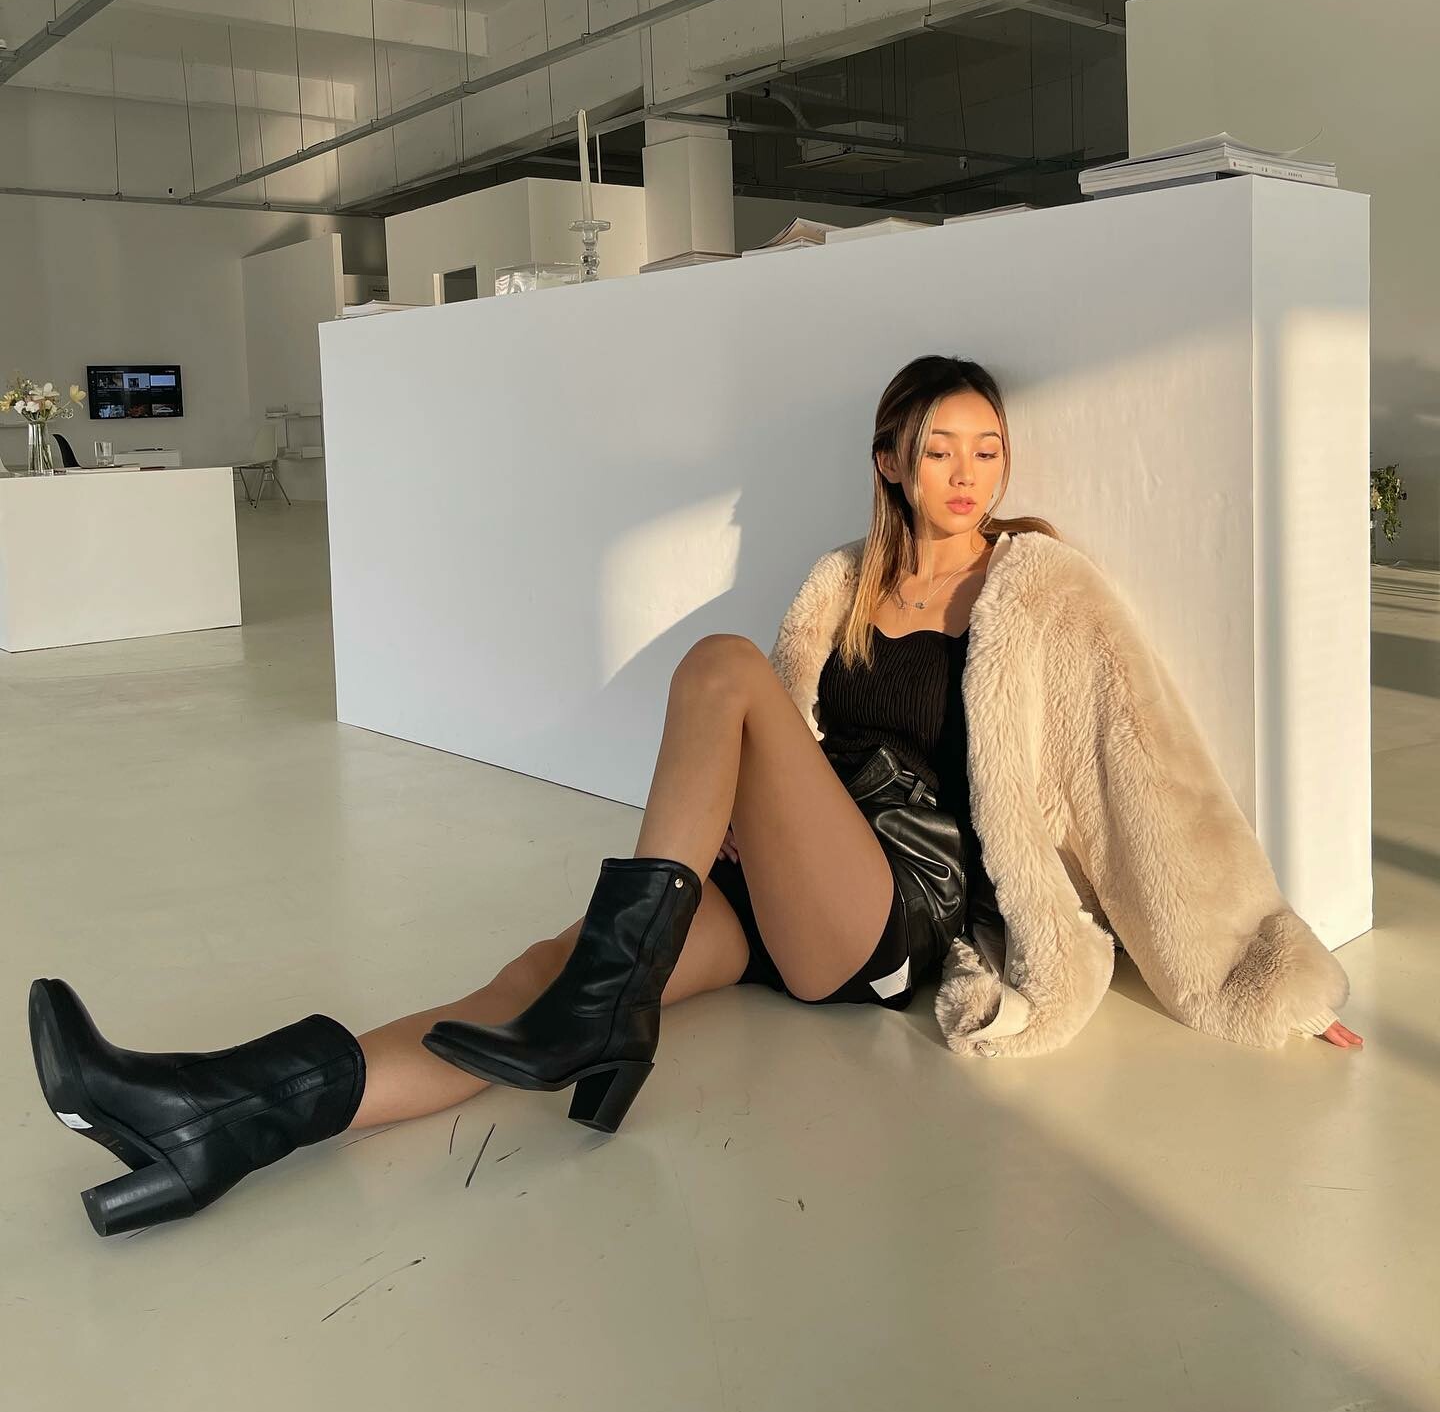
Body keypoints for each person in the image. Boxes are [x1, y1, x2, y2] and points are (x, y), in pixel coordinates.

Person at [29, 354, 1363, 1237]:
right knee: (531, 978)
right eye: (940, 450)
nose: (969, 476)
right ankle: (221, 1118)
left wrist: (1258, 967)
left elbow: (1150, 774)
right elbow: (781, 765)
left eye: (988, 451)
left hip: (897, 906)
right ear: (891, 460)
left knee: (719, 669)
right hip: (778, 882)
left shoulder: (1038, 587)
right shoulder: (839, 586)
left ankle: (608, 1010)